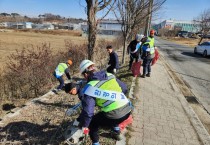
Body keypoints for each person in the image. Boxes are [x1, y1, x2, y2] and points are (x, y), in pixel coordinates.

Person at [65, 59, 132, 145]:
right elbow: (125, 88)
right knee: (108, 115)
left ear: (85, 74)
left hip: (114, 115)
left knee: (93, 123)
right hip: (127, 109)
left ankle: (96, 143)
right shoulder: (110, 75)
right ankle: (116, 133)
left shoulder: (89, 87)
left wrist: (84, 126)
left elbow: (89, 113)